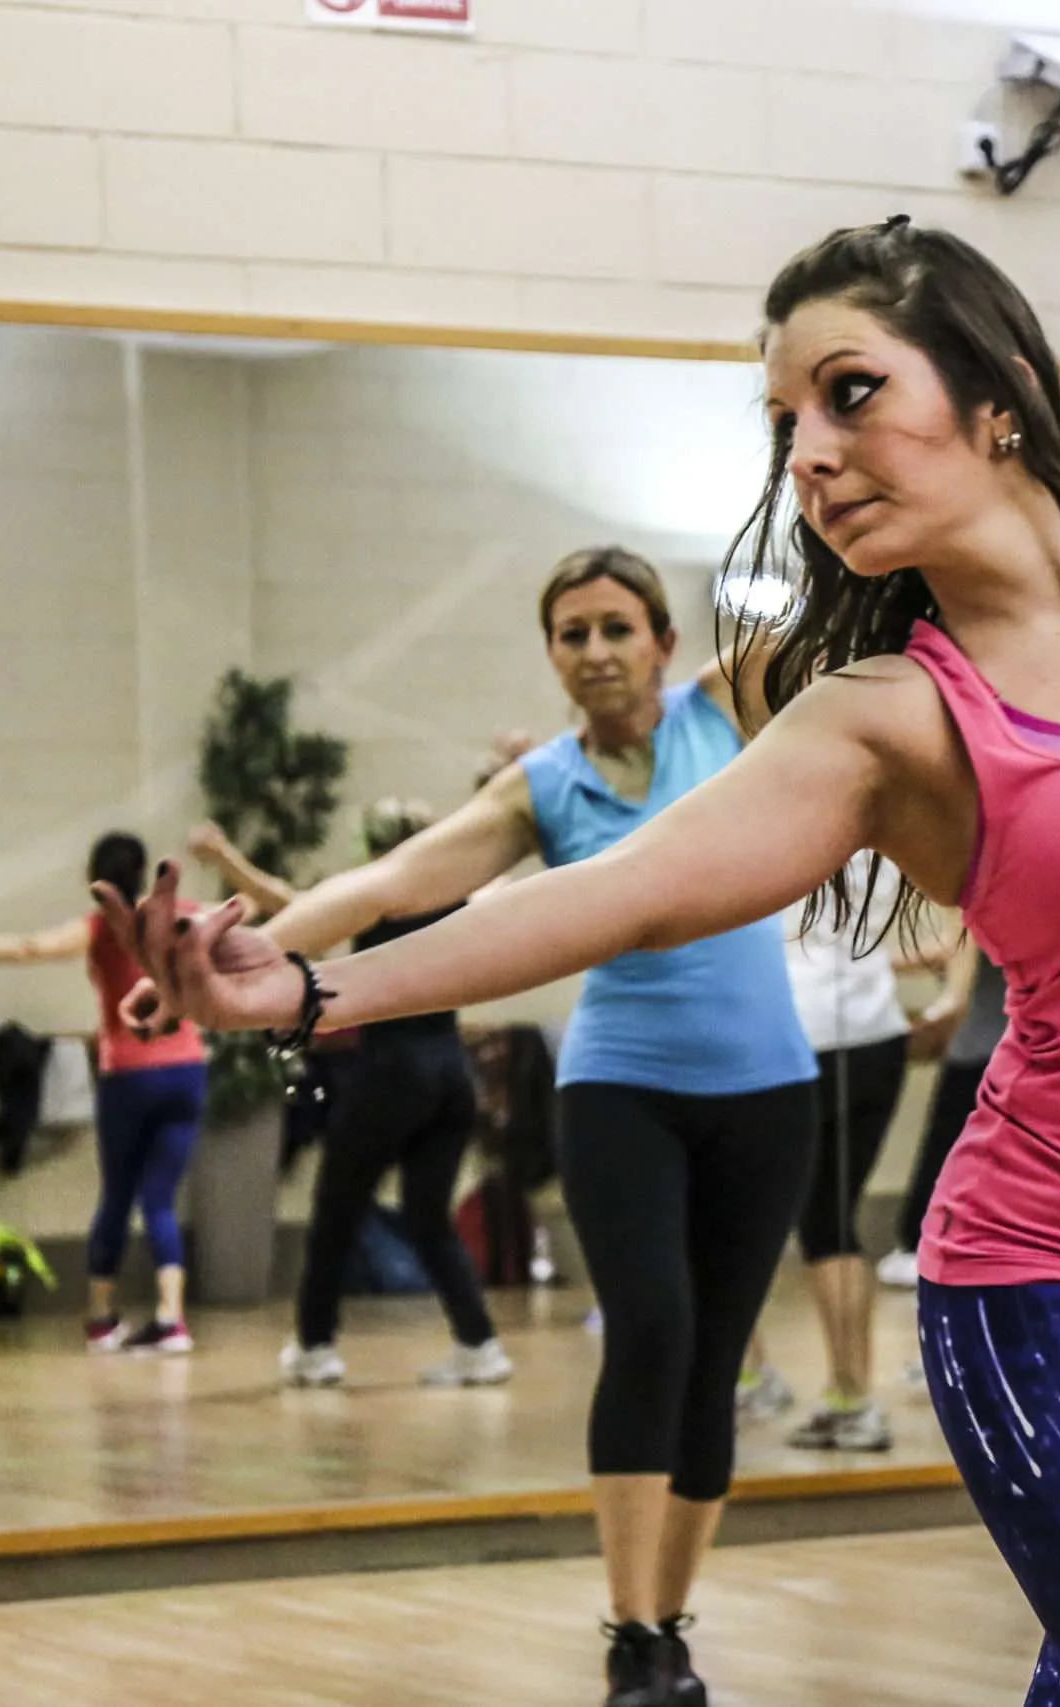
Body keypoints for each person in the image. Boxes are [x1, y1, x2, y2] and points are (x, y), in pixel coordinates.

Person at [100, 16, 1060, 1700]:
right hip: (1057, 1287)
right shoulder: (888, 720)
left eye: (851, 392)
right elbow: (609, 894)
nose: (807, 451)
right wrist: (307, 989)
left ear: (996, 395)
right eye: (785, 422)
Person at [118, 545, 818, 1707]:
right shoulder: (542, 786)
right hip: (621, 1089)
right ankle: (630, 1633)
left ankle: (672, 1624)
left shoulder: (728, 707)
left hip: (768, 1091)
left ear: (664, 641)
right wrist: (253, 955)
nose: (595, 651)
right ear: (551, 656)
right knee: (652, 1329)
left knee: (712, 1363)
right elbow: (390, 882)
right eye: (571, 634)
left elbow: (847, 625)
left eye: (615, 627)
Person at [186, 806, 514, 1389]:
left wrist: (224, 858)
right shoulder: (456, 897)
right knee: (428, 1217)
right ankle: (480, 1344)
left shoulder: (381, 895)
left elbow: (292, 904)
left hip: (393, 1074)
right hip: (451, 1075)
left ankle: (315, 1347)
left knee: (337, 1210)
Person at [0, 833, 205, 1353]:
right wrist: (226, 859)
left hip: (129, 1074)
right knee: (160, 1200)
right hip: (187, 1070)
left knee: (118, 1195)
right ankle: (171, 1318)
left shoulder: (99, 927)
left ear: (95, 878)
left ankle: (102, 1318)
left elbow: (29, 948)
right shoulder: (182, 916)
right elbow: (255, 910)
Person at [773, 847, 918, 1451]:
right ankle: (848, 1392)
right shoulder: (883, 829)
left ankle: (852, 1395)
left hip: (807, 1037)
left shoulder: (784, 828)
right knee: (834, 1220)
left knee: (822, 1225)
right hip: (879, 1035)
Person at [872, 940, 1003, 1294]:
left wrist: (869, 962)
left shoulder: (981, 919)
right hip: (987, 1045)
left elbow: (956, 946)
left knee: (949, 1154)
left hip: (983, 1050)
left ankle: (923, 1241)